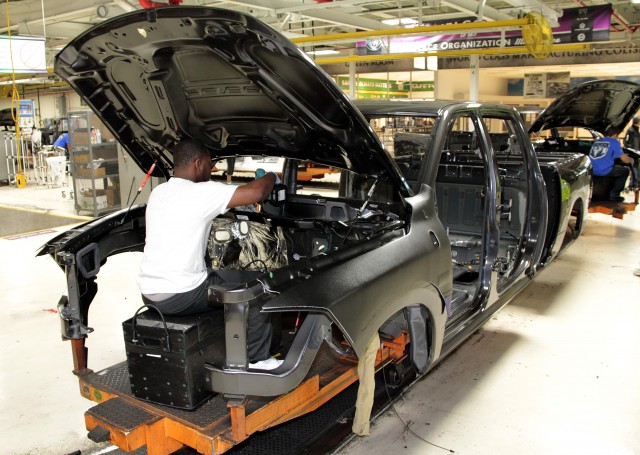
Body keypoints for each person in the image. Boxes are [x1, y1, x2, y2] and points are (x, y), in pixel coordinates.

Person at [137, 139, 282, 370]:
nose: (211, 169)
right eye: (208, 163)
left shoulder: (159, 192)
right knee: (259, 287)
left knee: (226, 275)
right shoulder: (201, 193)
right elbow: (257, 192)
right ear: (197, 163)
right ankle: (258, 360)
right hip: (182, 295)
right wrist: (273, 176)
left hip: (149, 294)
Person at [588, 127, 634, 202]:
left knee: (615, 169)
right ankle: (614, 195)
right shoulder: (614, 142)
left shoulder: (597, 142)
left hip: (592, 170)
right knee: (624, 171)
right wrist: (631, 160)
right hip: (604, 170)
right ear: (615, 134)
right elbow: (624, 159)